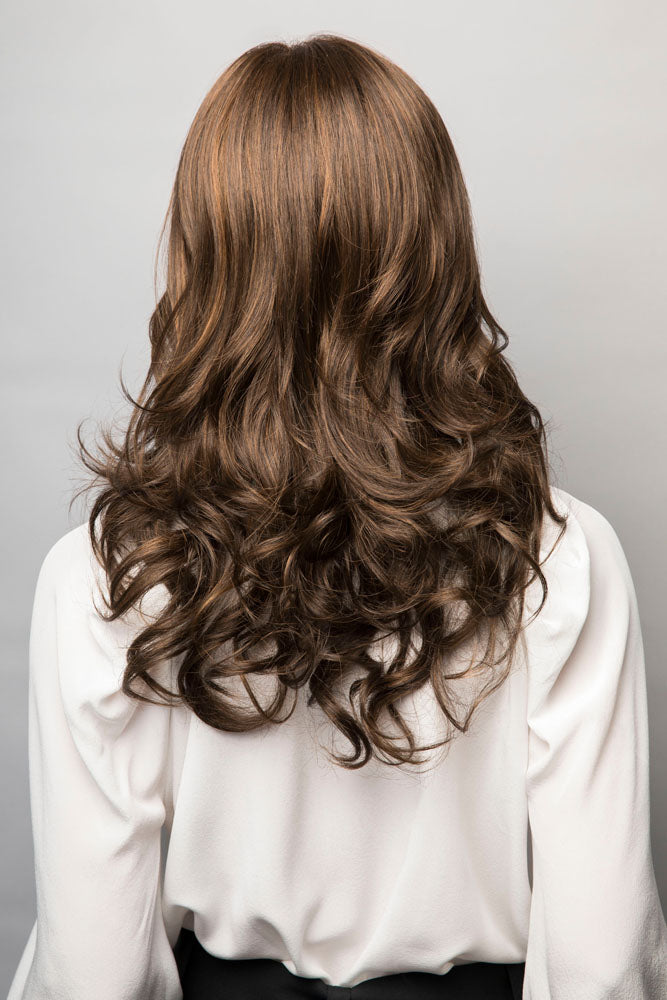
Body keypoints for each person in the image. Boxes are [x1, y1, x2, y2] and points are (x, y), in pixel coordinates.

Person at [7, 32, 667, 1000]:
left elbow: (93, 970)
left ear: (207, 253)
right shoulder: (560, 556)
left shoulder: (108, 573)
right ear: (435, 247)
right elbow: (600, 965)